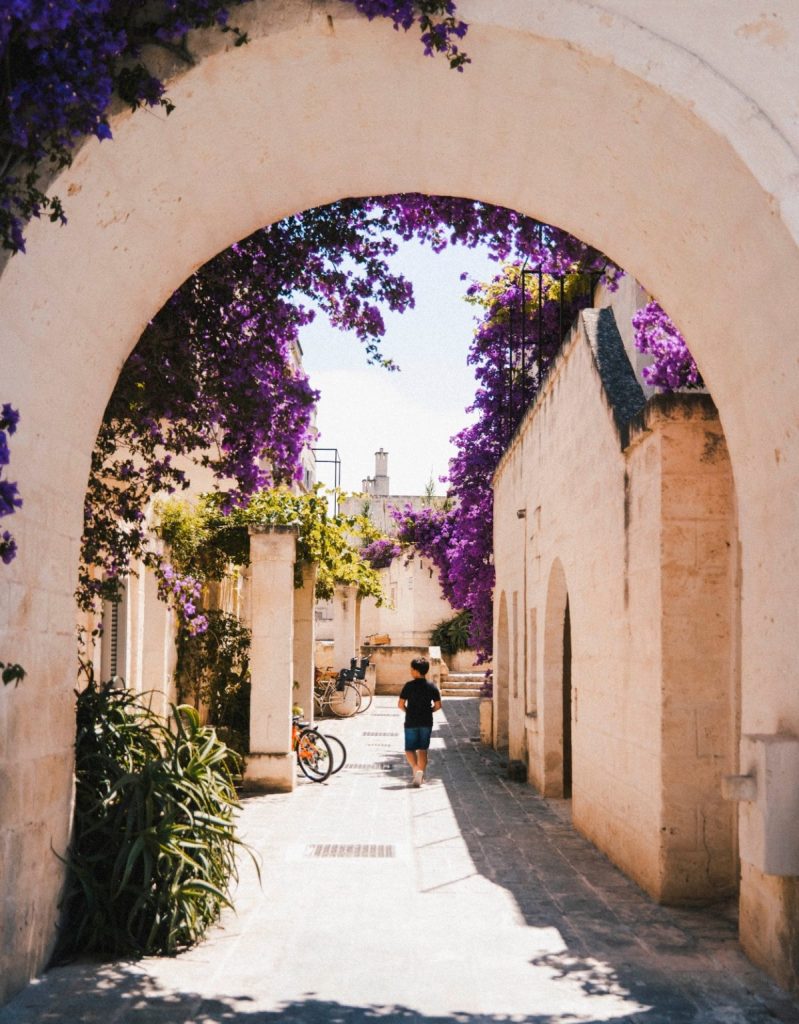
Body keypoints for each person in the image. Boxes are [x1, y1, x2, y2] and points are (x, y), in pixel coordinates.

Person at [398, 656, 442, 787]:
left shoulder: (409, 686)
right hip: (426, 721)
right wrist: (429, 711)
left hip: (411, 721)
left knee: (409, 749)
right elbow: (438, 705)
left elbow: (400, 704)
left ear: (416, 671)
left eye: (412, 669)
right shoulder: (432, 687)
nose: (410, 671)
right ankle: (420, 776)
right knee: (423, 750)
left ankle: (416, 769)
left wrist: (408, 711)